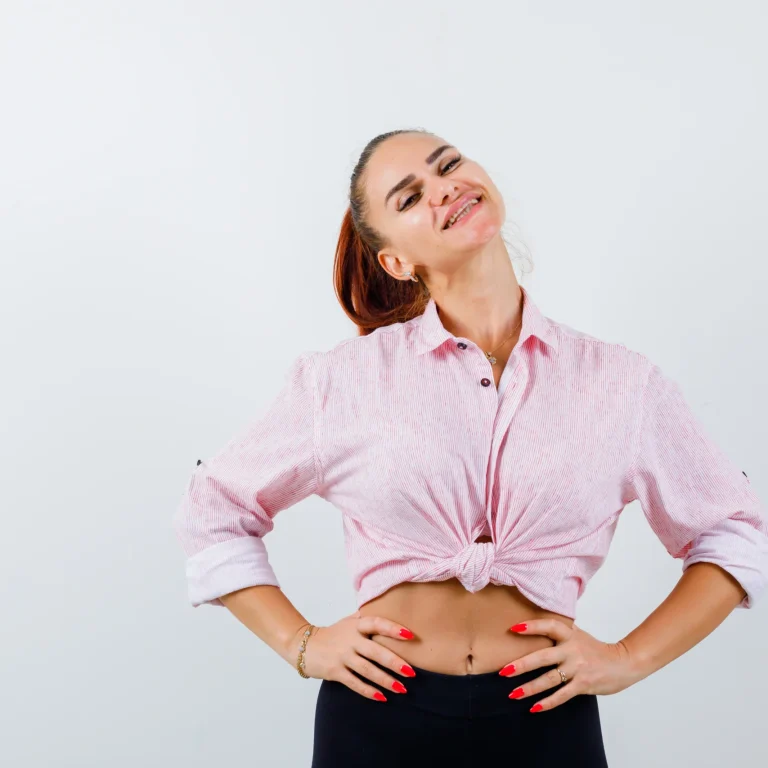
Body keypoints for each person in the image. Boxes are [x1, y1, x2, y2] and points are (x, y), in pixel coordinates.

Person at [172, 128, 768, 767]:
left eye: (448, 164)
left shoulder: (620, 382)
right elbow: (216, 507)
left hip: (546, 718)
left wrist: (628, 658)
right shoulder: (341, 381)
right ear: (397, 262)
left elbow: (732, 531)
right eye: (409, 197)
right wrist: (300, 643)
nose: (443, 187)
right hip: (376, 719)